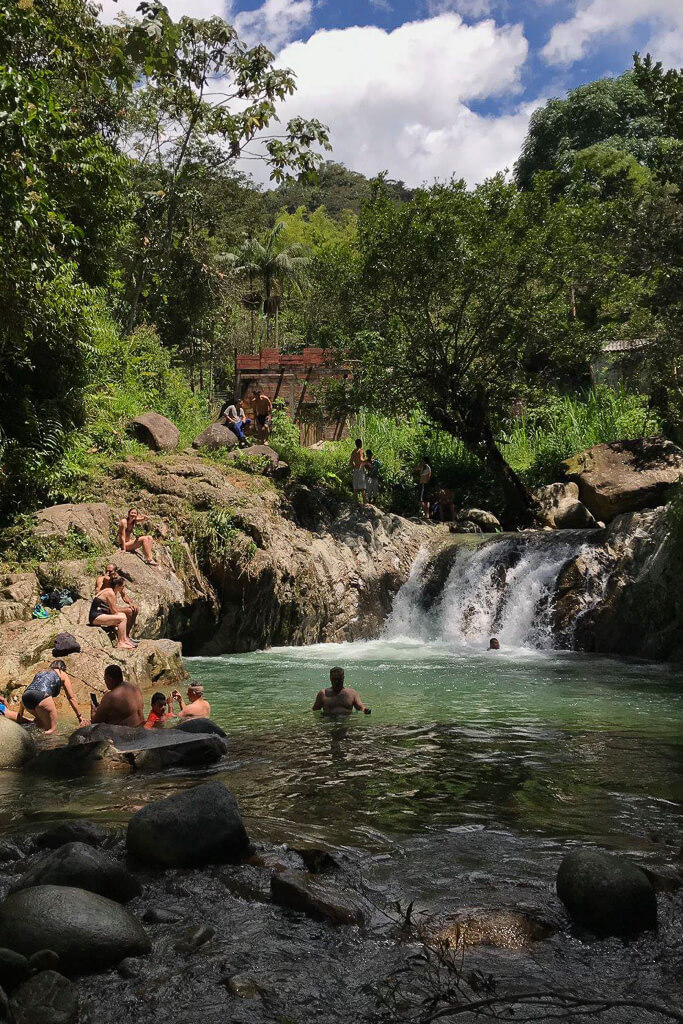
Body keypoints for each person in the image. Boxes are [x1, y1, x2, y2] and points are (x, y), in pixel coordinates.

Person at [18, 660, 85, 734]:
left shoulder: (41, 672)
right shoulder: (62, 673)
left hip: (25, 698)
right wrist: (80, 717)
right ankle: (39, 742)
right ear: (62, 668)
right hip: (42, 696)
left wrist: (21, 711)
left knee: (40, 723)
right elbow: (71, 698)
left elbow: (34, 689)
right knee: (51, 730)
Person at [89, 576, 136, 651]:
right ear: (117, 586)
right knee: (122, 618)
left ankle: (125, 640)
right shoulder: (110, 593)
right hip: (96, 617)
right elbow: (113, 611)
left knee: (122, 615)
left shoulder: (108, 589)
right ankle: (121, 642)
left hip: (98, 615)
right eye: (122, 586)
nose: (123, 588)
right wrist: (116, 623)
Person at [96, 564, 139, 640]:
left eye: (110, 571)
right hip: (103, 608)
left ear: (115, 571)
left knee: (134, 609)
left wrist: (130, 603)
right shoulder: (101, 579)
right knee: (128, 611)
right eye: (107, 571)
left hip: (111, 607)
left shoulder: (117, 581)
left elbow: (123, 595)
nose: (108, 573)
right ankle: (123, 637)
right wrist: (107, 582)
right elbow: (98, 592)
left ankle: (126, 635)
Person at [349, 438, 366, 504]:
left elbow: (350, 462)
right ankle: (365, 502)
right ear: (361, 444)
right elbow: (361, 459)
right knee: (362, 487)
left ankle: (356, 502)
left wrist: (354, 467)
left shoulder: (353, 452)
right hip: (360, 470)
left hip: (356, 470)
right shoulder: (361, 451)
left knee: (355, 487)